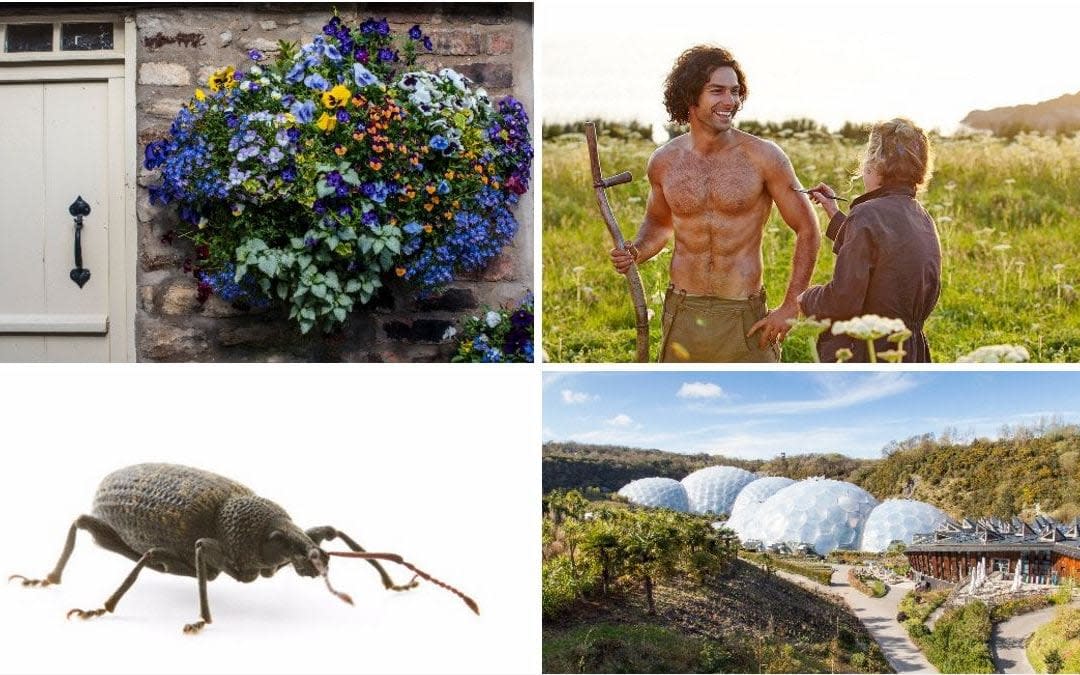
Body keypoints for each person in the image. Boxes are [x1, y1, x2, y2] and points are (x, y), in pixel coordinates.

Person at [609, 45, 819, 362]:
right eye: (717, 91)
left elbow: (807, 228)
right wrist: (636, 250)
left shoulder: (764, 157)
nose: (730, 101)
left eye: (735, 92)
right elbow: (659, 224)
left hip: (743, 315)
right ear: (690, 96)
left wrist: (791, 305)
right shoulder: (664, 161)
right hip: (683, 312)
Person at [799, 118, 941, 362]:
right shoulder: (921, 214)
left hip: (870, 351)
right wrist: (833, 212)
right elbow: (884, 253)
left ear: (875, 162)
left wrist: (807, 298)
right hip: (912, 351)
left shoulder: (866, 214)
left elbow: (843, 300)